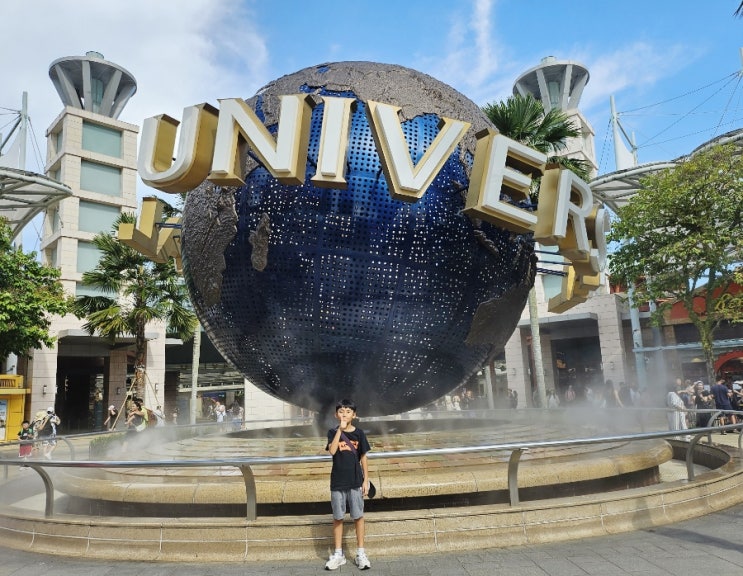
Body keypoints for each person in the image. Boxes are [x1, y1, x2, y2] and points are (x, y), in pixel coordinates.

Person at [324, 399, 371, 571]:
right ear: (336, 415)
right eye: (341, 411)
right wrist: (340, 430)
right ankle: (338, 554)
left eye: (348, 411)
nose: (344, 414)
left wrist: (366, 479)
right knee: (338, 517)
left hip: (355, 480)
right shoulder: (332, 432)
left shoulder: (359, 433)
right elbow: (332, 451)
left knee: (358, 516)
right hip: (338, 481)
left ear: (354, 415)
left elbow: (363, 457)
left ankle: (360, 553)